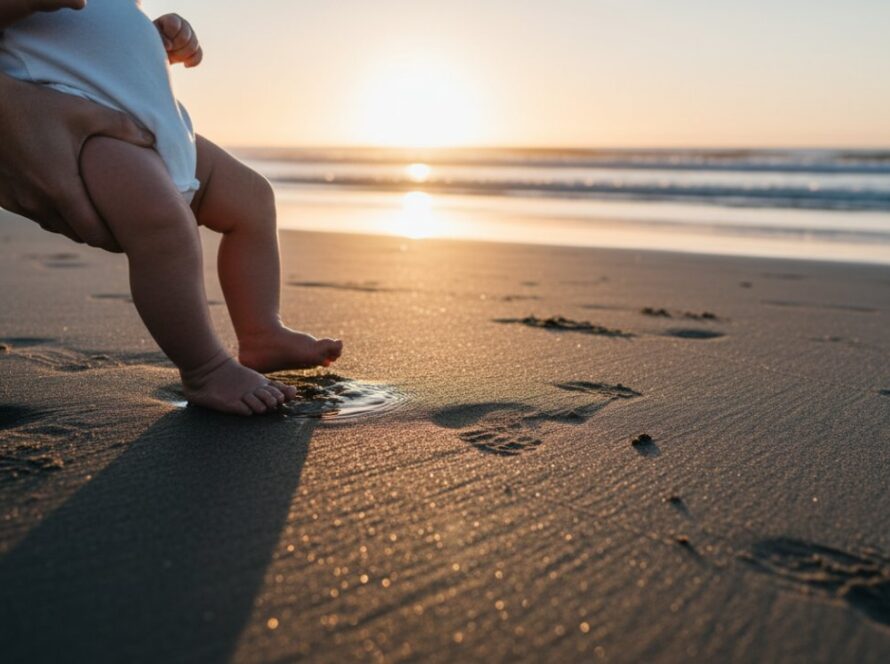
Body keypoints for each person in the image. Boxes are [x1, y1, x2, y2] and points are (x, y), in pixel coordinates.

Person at [0, 1, 343, 415]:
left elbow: (102, 33)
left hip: (162, 129)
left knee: (253, 198)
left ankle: (261, 333)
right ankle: (205, 368)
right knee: (167, 231)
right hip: (88, 129)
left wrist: (163, 34)